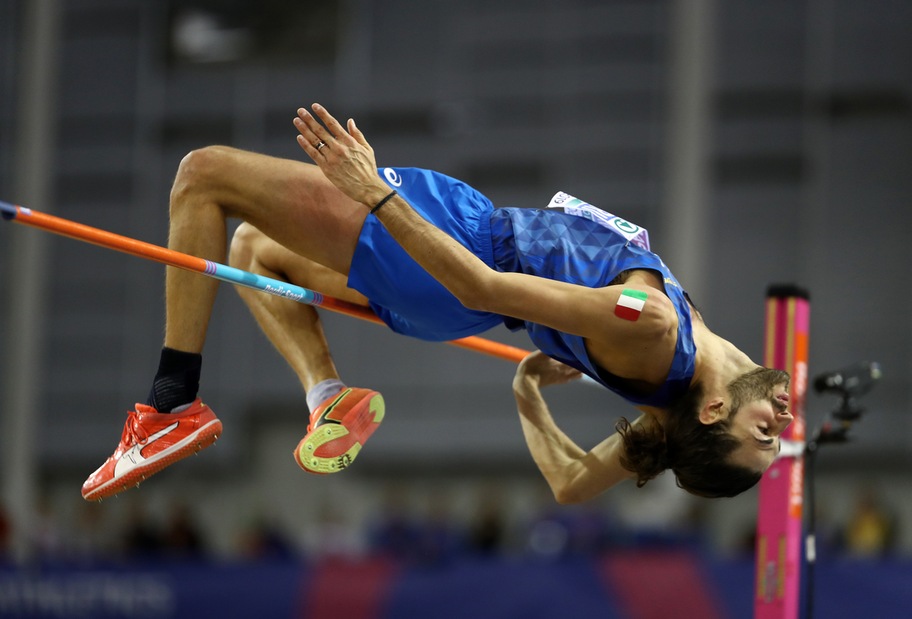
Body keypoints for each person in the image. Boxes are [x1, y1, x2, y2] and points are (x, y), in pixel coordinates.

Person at [81, 103, 793, 503]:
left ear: (713, 411)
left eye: (765, 435)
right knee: (251, 251)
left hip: (456, 248)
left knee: (202, 176)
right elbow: (573, 485)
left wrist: (377, 193)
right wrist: (525, 389)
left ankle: (169, 406)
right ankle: (327, 394)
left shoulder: (661, 329)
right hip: (453, 300)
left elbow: (484, 283)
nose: (784, 424)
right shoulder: (676, 385)